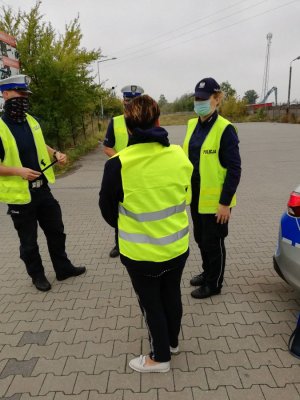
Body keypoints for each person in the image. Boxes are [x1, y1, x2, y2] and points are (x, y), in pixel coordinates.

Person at [99, 95, 193, 373]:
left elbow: (106, 209)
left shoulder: (118, 164)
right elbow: (186, 191)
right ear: (159, 120)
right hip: (177, 247)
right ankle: (173, 342)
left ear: (127, 128)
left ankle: (160, 357)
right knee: (172, 295)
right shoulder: (178, 154)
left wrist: (129, 224)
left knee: (151, 304)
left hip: (140, 254)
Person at [0, 74, 86, 292]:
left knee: (56, 230)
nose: (24, 99)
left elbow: (41, 143)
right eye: (20, 94)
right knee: (29, 242)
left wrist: (55, 152)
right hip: (21, 196)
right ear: (6, 94)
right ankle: (37, 275)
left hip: (43, 189)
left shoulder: (32, 120)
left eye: (26, 95)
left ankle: (63, 268)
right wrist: (17, 171)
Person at [183, 77, 241, 299]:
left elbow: (234, 169)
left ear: (216, 99)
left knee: (214, 242)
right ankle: (208, 273)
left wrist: (225, 203)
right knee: (200, 239)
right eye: (196, 98)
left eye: (204, 99)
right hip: (196, 196)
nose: (199, 102)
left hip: (217, 201)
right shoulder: (192, 124)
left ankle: (214, 284)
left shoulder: (225, 129)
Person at [102, 84, 144, 258]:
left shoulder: (147, 119)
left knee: (142, 207)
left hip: (142, 172)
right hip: (122, 172)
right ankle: (120, 244)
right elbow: (107, 147)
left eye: (134, 101)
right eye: (128, 100)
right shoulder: (116, 121)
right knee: (121, 207)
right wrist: (123, 161)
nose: (131, 104)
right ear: (123, 101)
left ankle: (142, 240)